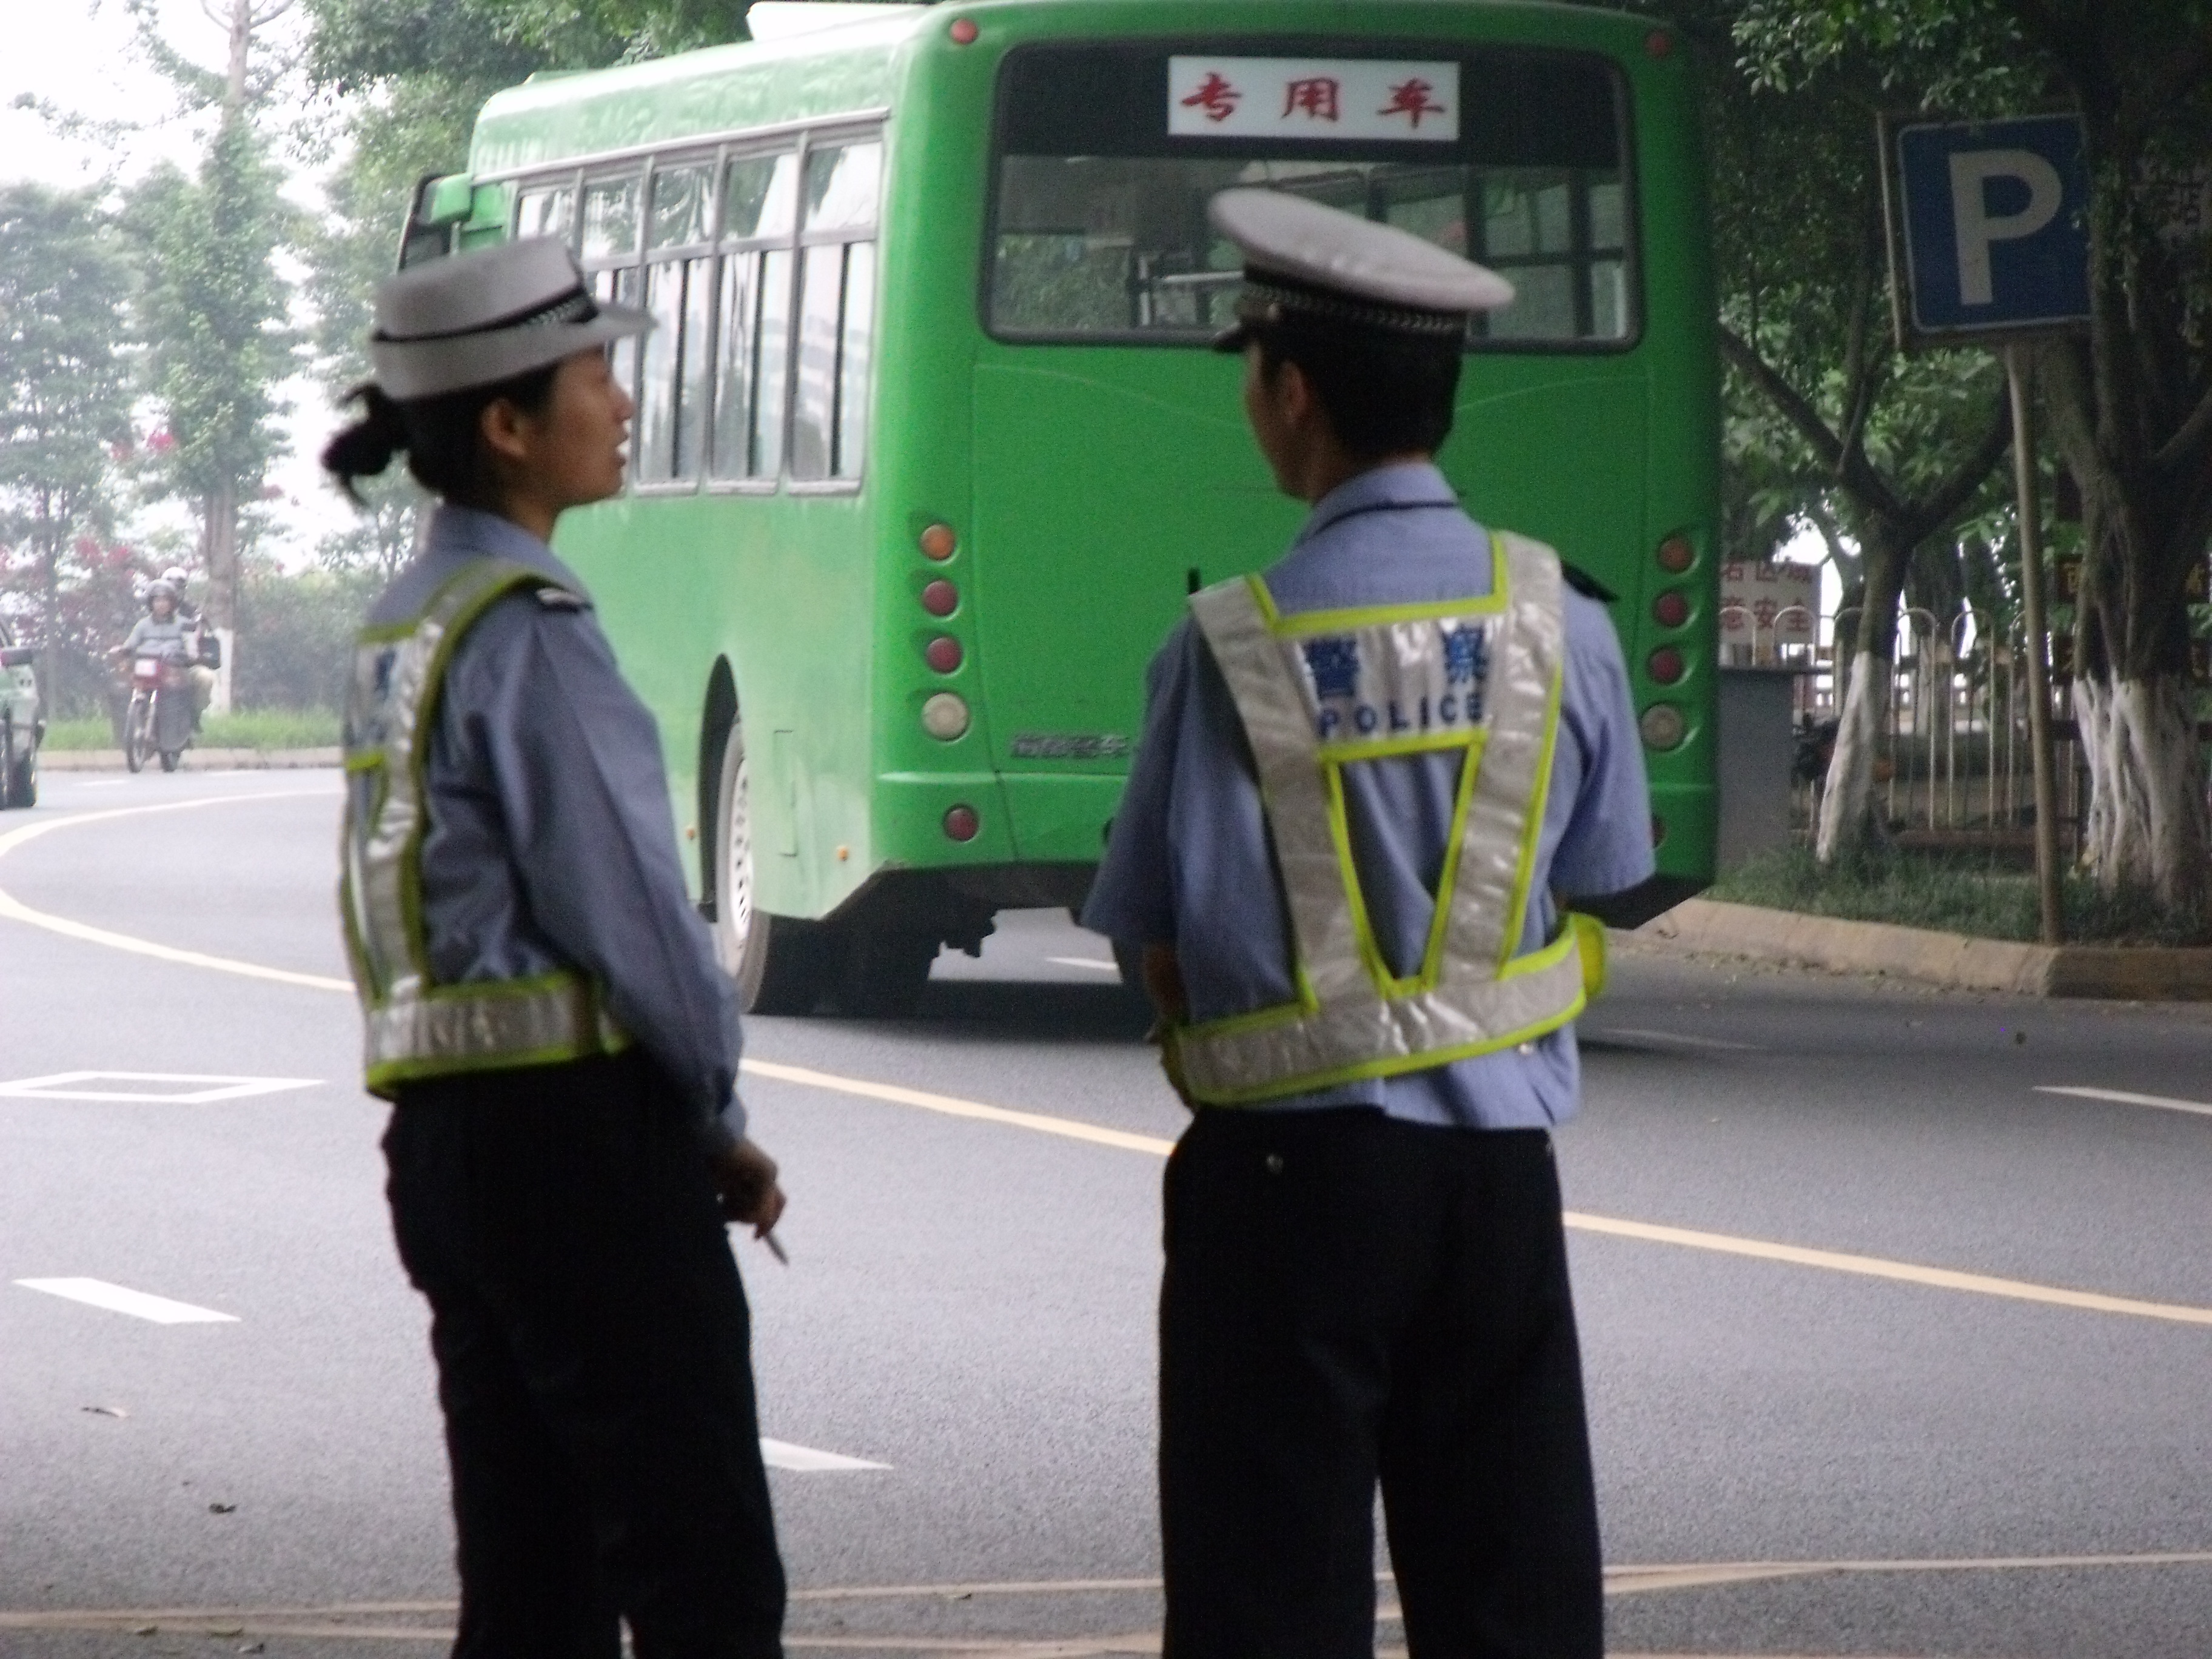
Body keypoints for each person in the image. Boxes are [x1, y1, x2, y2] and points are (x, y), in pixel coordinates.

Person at [1082, 190, 1657, 1659]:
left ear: (1292, 391)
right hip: (1493, 1189)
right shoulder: (1565, 625)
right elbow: (1603, 874)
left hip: (1283, 1195)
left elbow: (1158, 948)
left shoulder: (1226, 647)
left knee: (1266, 1607)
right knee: (1515, 1602)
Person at [324, 237, 788, 1659]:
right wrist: (714, 1116)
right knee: (704, 1575)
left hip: (450, 1149)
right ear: (510, 426)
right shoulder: (530, 633)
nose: (623, 401)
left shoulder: (406, 625)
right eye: (596, 374)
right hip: (578, 1151)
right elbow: (633, 911)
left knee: (530, 1588)